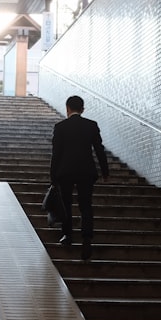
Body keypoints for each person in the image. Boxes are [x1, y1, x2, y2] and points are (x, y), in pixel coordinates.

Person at [50, 95, 109, 261]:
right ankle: (87, 238)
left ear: (67, 108)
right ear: (82, 109)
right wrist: (105, 171)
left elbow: (56, 154)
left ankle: (67, 236)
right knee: (86, 205)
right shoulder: (91, 126)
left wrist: (52, 176)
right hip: (86, 171)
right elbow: (99, 149)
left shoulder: (60, 127)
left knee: (66, 204)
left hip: (65, 171)